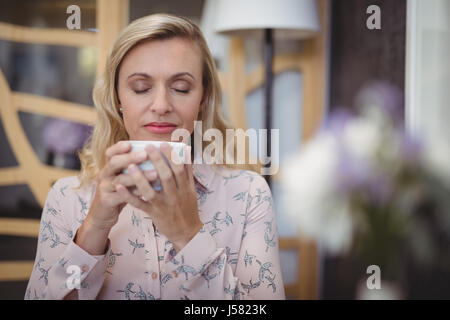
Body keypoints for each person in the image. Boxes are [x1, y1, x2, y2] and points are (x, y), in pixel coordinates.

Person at [25, 13, 285, 300]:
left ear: (203, 99)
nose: (161, 105)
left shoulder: (248, 194)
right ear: (118, 99)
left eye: (181, 88)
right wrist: (94, 229)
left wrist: (187, 234)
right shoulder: (67, 198)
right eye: (141, 88)